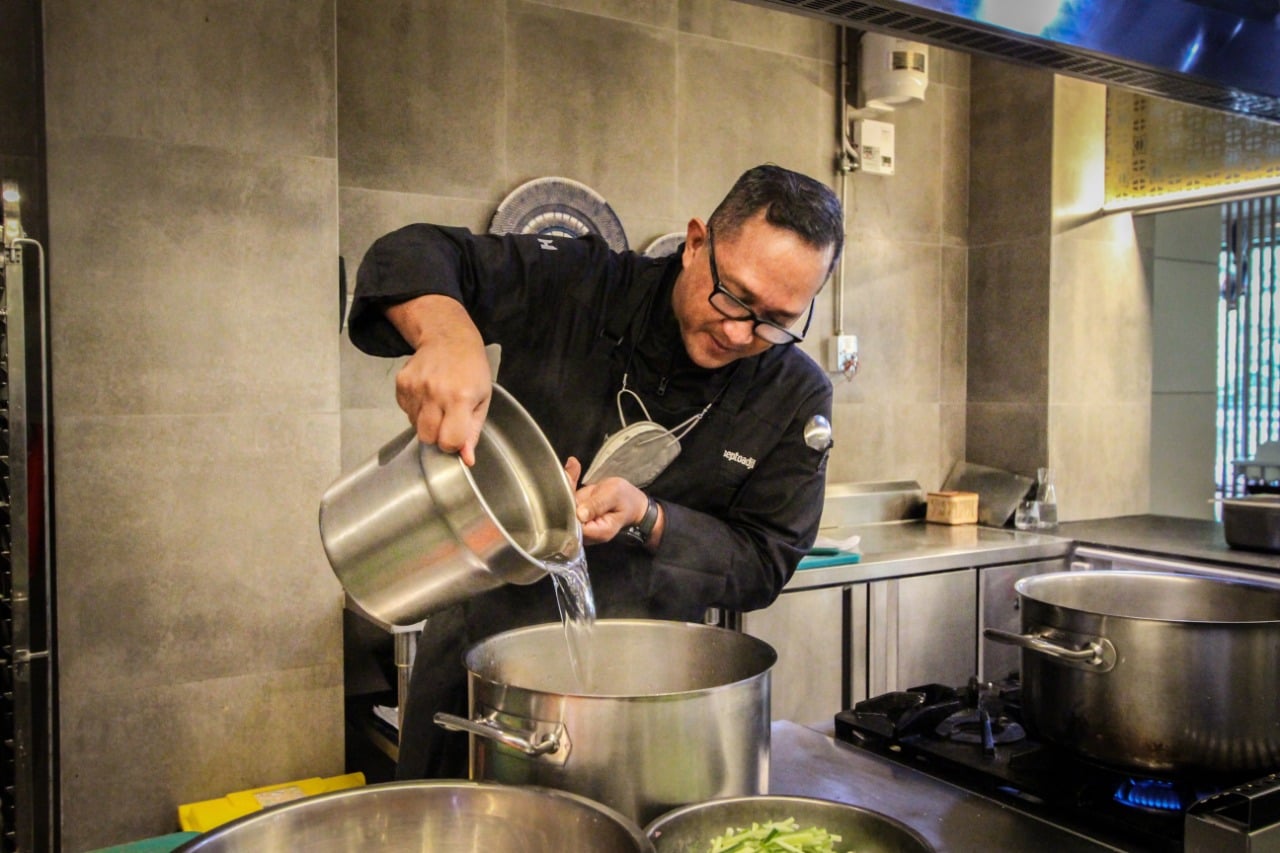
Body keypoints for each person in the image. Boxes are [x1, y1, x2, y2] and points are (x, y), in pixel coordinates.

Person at [348, 163, 844, 779]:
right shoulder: (582, 282)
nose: (742, 331)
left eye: (776, 320)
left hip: (645, 695)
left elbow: (766, 560)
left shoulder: (795, 394)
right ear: (696, 243)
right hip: (476, 670)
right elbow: (410, 252)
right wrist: (449, 336)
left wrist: (650, 518)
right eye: (734, 297)